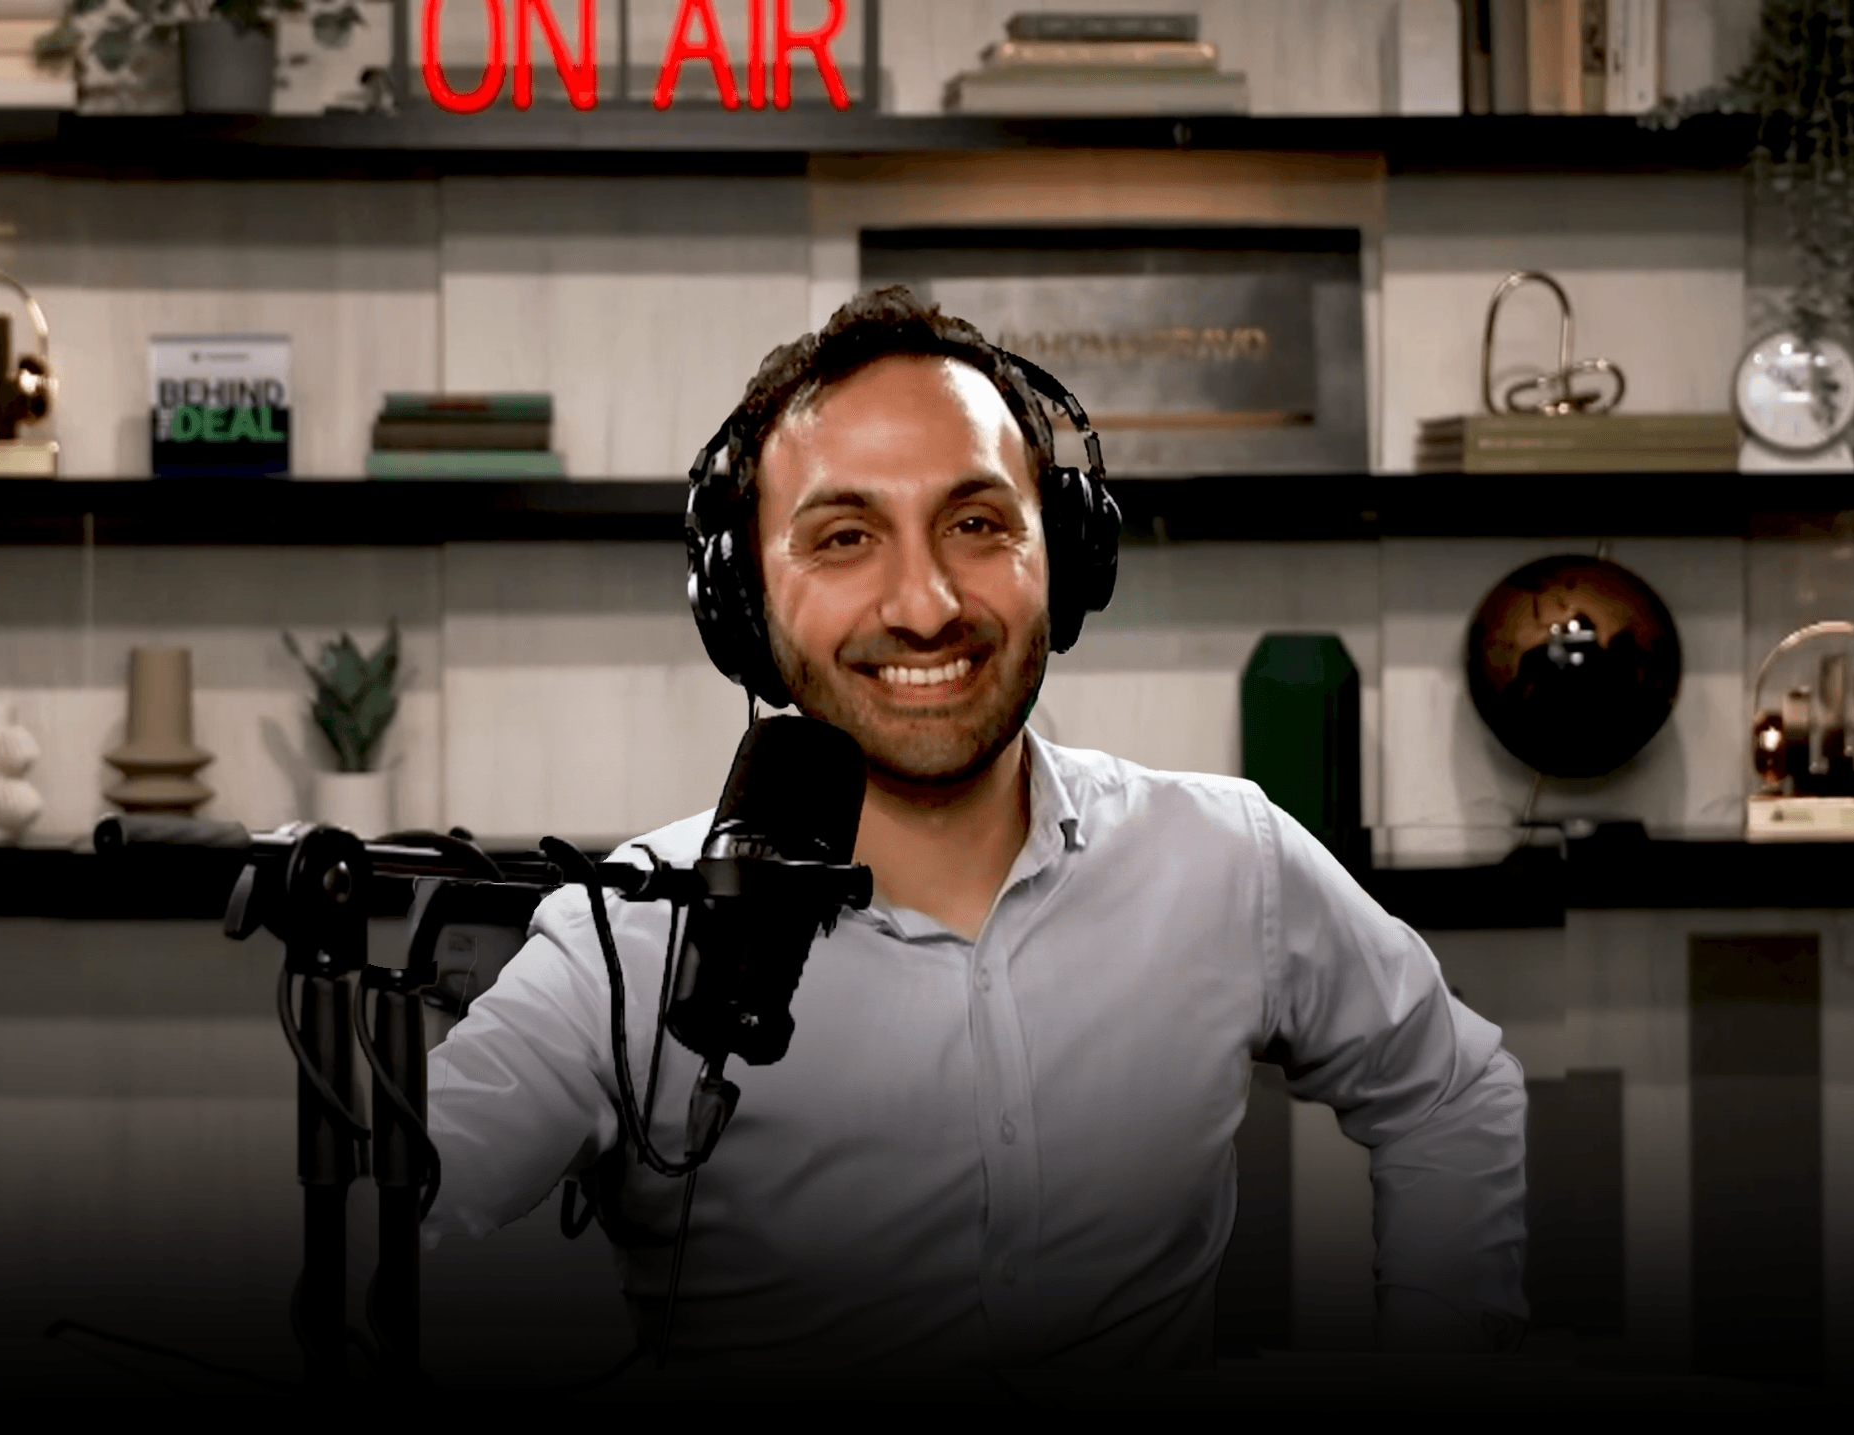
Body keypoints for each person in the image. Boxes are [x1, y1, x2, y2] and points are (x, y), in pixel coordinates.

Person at [421, 286, 1528, 1371]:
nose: (926, 605)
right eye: (844, 536)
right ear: (742, 602)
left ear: (1066, 558)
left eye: (976, 524)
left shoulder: (1225, 856)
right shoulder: (627, 939)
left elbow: (1449, 1089)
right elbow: (396, 1210)